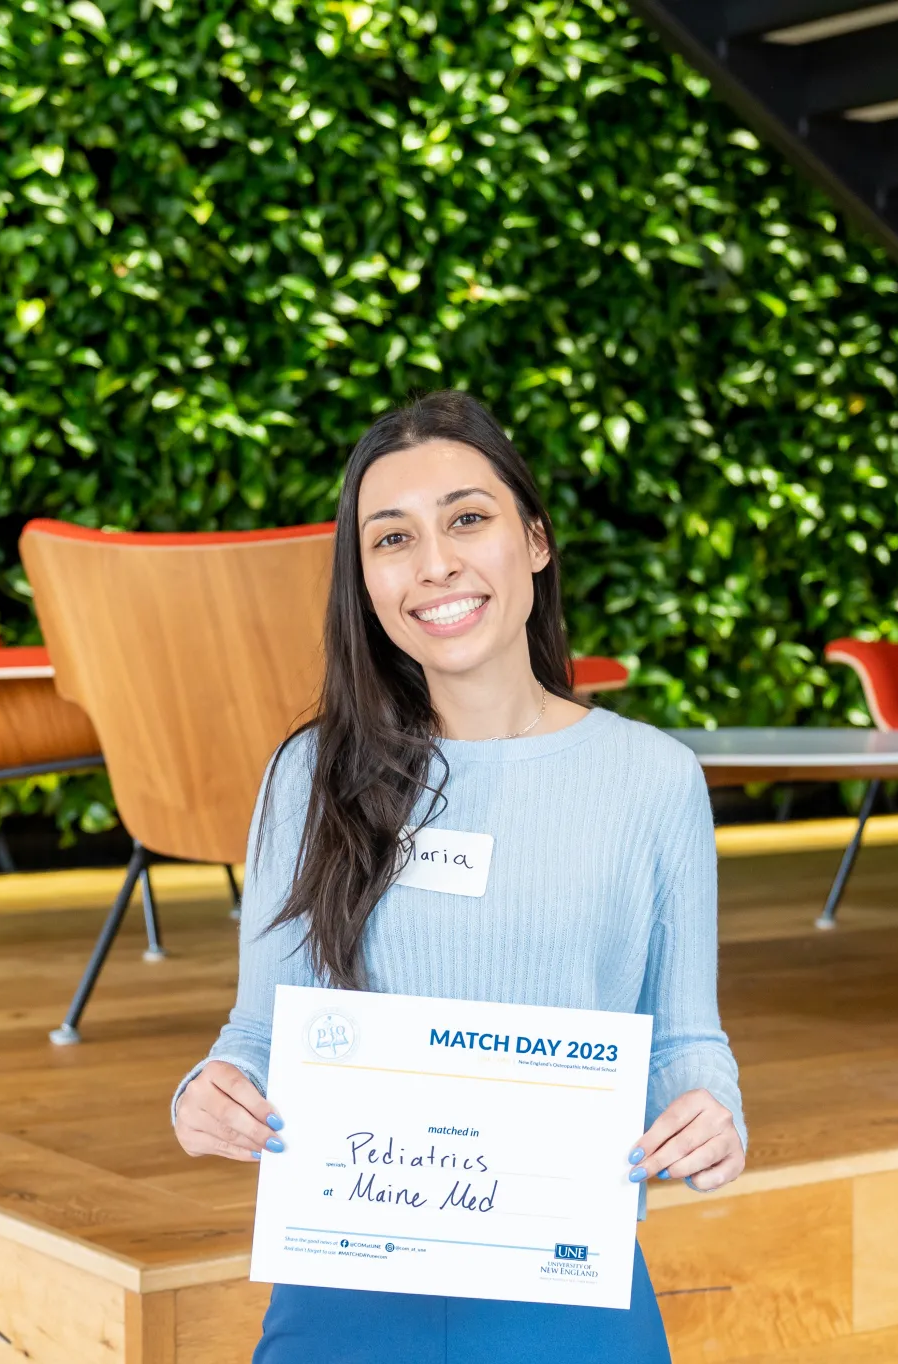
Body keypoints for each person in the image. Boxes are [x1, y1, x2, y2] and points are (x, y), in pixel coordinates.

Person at [171, 390, 747, 1363]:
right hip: (345, 1287)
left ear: (533, 539)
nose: (433, 562)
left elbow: (685, 1039)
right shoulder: (309, 774)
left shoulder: (653, 778)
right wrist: (209, 1090)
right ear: (364, 579)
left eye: (466, 519)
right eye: (391, 537)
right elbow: (258, 1033)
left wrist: (710, 1113)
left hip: (566, 1289)